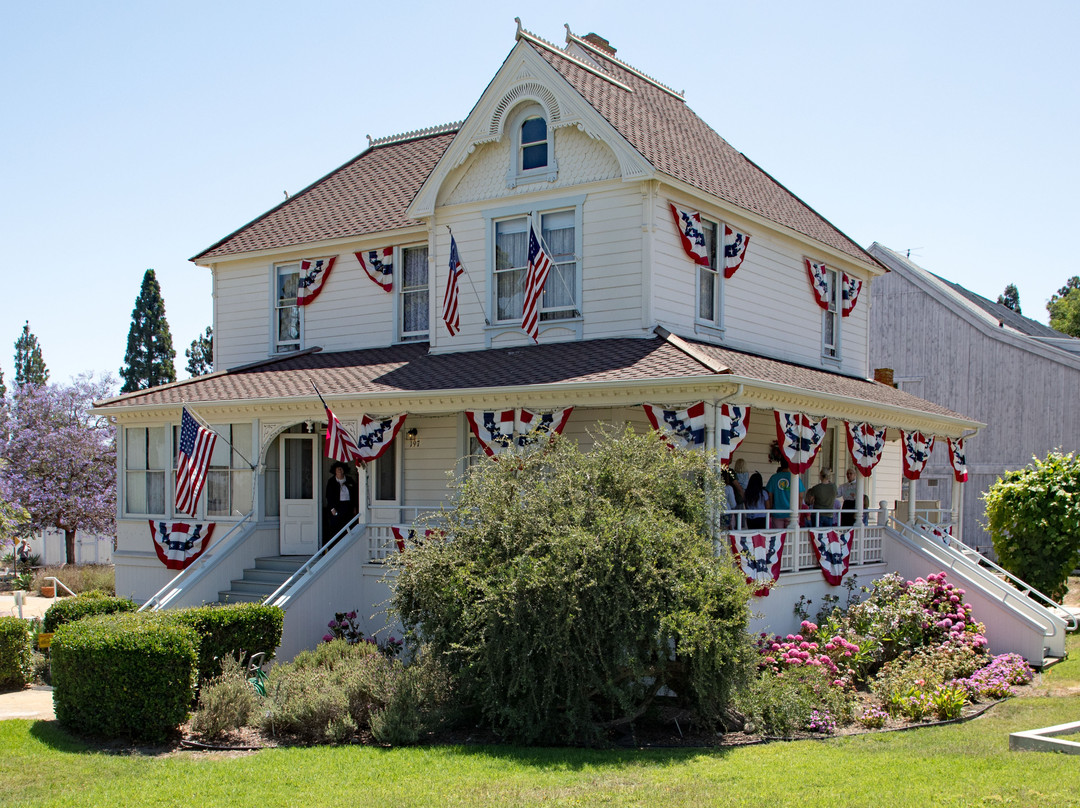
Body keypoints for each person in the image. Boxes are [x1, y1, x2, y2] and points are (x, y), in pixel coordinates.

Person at [324, 462, 359, 544]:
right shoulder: (331, 481)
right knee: (336, 526)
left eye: (341, 469)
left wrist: (355, 507)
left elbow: (355, 494)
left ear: (344, 470)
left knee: (348, 525)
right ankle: (335, 545)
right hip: (337, 507)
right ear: (335, 471)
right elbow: (329, 496)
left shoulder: (349, 480)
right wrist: (332, 508)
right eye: (337, 469)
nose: (339, 471)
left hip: (348, 506)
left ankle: (347, 543)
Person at [765, 457, 805, 529]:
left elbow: (769, 495)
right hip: (791, 513)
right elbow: (801, 496)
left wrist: (771, 509)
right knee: (790, 538)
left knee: (778, 537)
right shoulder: (795, 478)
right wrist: (799, 510)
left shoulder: (774, 478)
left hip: (777, 513)